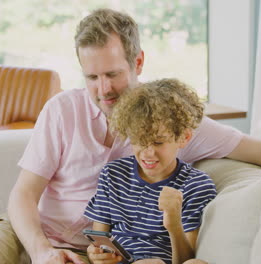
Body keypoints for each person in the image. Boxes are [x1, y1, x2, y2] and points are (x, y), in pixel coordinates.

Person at [0, 8, 261, 264]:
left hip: (98, 249)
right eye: (92, 77)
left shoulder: (165, 122)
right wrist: (39, 250)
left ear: (137, 62)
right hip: (32, 232)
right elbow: (23, 195)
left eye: (113, 74)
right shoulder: (61, 111)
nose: (103, 89)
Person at [84, 78, 215, 264]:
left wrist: (174, 224)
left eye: (159, 142)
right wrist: (96, 253)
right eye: (139, 141)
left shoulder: (196, 185)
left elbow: (185, 259)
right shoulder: (113, 175)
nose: (148, 153)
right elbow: (98, 238)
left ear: (183, 138)